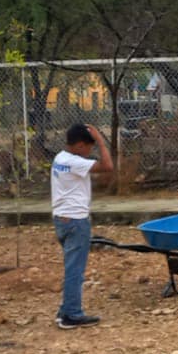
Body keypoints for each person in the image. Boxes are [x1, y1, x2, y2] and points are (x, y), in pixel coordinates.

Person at [52, 123, 113, 329]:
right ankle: (72, 315)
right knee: (75, 271)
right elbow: (107, 167)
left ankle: (65, 311)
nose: (90, 151)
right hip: (76, 220)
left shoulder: (59, 158)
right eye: (89, 147)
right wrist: (103, 144)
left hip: (61, 218)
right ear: (79, 145)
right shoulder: (75, 162)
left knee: (72, 267)